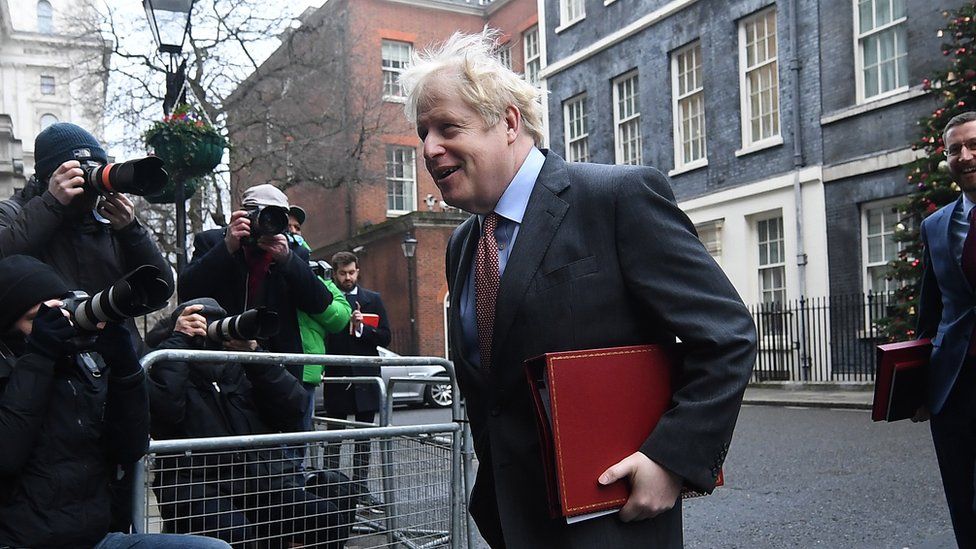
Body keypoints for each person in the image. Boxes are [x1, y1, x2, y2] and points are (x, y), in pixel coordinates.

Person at [399, 31, 757, 548]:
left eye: (448, 127)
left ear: (507, 122)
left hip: (613, 521)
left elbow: (727, 336)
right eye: (422, 132)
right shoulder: (463, 245)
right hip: (514, 522)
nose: (430, 149)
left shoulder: (617, 199)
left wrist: (670, 458)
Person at [0, 255, 228, 549]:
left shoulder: (82, 367)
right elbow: (6, 456)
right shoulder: (13, 370)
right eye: (37, 319)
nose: (57, 324)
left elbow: (130, 448)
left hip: (96, 538)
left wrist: (125, 370)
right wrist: (39, 357)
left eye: (62, 311)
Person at [147, 298, 349, 548]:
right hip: (197, 487)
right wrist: (178, 343)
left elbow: (293, 410)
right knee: (239, 537)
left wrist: (255, 357)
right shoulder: (165, 362)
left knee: (326, 517)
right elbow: (163, 416)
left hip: (260, 484)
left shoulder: (242, 365)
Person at [0, 122, 175, 351]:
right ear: (49, 177)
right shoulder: (15, 212)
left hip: (117, 357)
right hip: (49, 360)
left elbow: (161, 287)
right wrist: (51, 204)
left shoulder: (111, 220)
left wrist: (132, 231)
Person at [178, 184, 332, 386]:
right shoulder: (213, 241)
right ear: (244, 214)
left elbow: (320, 303)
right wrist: (227, 247)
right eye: (263, 215)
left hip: (275, 366)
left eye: (277, 218)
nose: (268, 224)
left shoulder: (294, 250)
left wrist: (288, 260)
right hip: (221, 358)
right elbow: (187, 289)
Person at [915, 110, 976, 548]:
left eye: (973, 145)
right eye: (954, 149)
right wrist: (918, 388)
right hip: (955, 385)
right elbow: (928, 312)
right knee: (961, 493)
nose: (965, 155)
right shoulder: (935, 225)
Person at [323, 251, 392, 507]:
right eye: (343, 273)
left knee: (364, 440)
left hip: (365, 379)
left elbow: (386, 337)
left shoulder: (372, 299)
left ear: (358, 271)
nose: (348, 277)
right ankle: (329, 489)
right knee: (334, 438)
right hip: (338, 377)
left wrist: (364, 329)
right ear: (335, 273)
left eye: (352, 272)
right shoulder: (329, 299)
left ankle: (360, 488)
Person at [286, 203, 352, 430]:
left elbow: (341, 314)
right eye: (287, 226)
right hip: (276, 369)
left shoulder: (313, 272)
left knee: (301, 439)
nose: (293, 231)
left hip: (306, 370)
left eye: (297, 227)